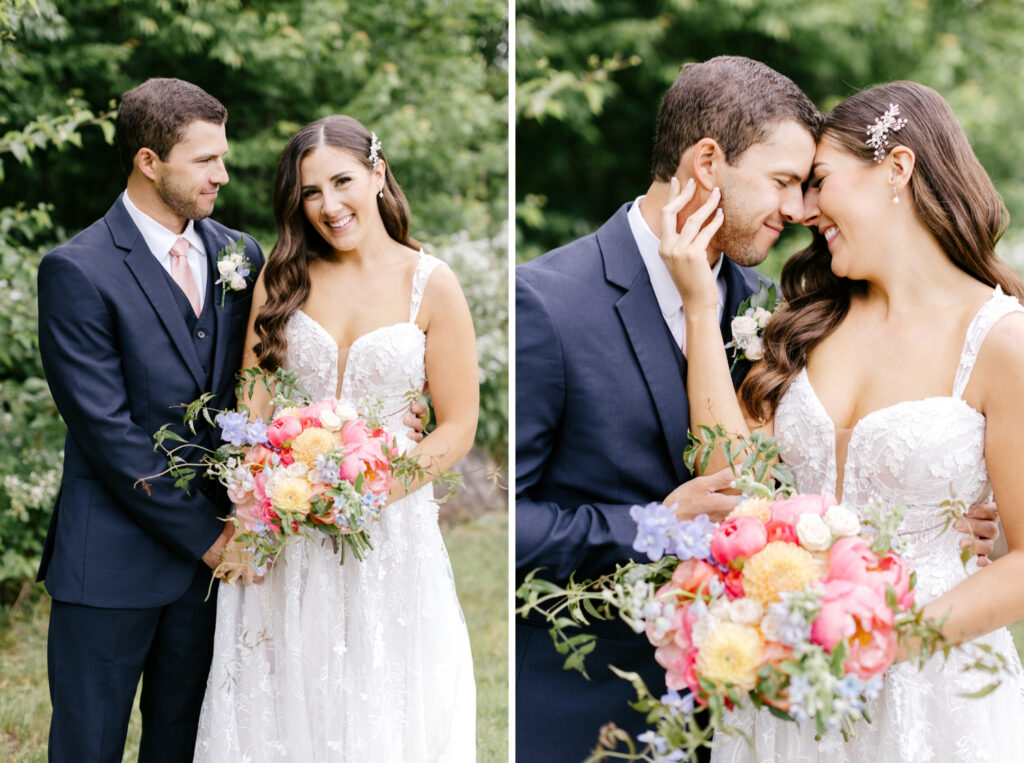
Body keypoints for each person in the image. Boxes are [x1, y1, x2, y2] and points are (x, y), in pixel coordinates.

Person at [515, 57, 1000, 763]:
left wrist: (953, 513)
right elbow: (511, 525)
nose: (799, 210)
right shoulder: (548, 303)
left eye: (810, 186)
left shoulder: (777, 310)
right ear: (707, 161)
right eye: (783, 182)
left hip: (771, 706)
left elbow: (768, 483)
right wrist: (653, 527)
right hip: (590, 709)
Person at [660, 80, 1024, 761]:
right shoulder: (807, 325)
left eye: (820, 181)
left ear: (897, 169)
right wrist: (699, 308)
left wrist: (873, 642)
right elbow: (727, 482)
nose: (802, 209)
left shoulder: (1002, 341)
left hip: (930, 687)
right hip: (793, 687)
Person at [193, 115, 479, 762]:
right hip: (286, 520)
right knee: (283, 688)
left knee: (381, 687)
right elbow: (253, 407)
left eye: (342, 181)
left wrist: (375, 491)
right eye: (310, 193)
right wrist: (256, 502)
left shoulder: (430, 284)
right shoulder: (284, 276)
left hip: (388, 524)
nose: (328, 205)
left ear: (378, 173)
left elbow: (459, 424)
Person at [36, 78, 264, 762]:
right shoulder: (77, 270)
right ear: (148, 161)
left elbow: (257, 385)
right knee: (89, 746)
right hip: (108, 565)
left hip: (208, 576)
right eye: (205, 160)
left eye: (223, 157)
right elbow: (107, 432)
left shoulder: (239, 254)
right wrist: (210, 538)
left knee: (185, 743)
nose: (222, 174)